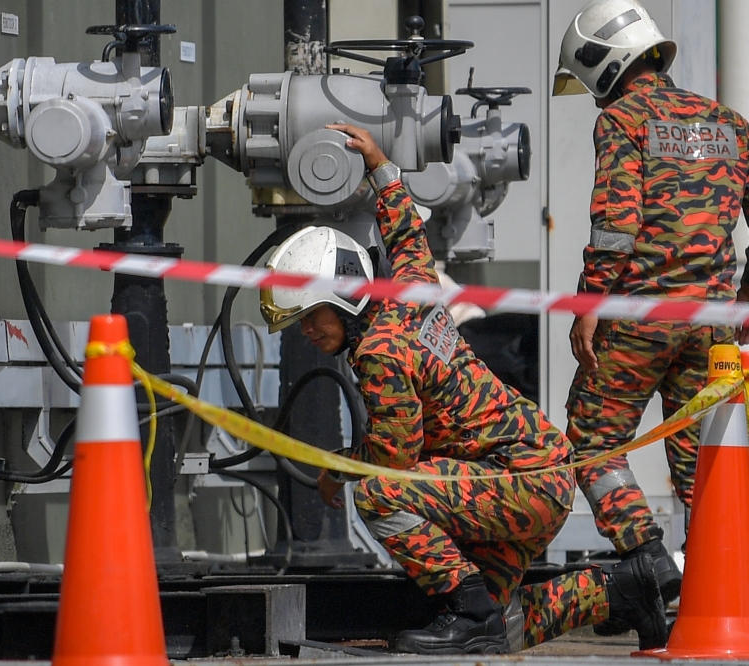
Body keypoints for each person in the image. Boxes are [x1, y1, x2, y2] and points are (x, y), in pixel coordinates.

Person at [258, 122, 668, 654]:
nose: (309, 333)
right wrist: (381, 166)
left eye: (312, 317)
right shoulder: (413, 293)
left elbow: (394, 456)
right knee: (500, 632)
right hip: (531, 472)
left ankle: (468, 607)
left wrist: (341, 467)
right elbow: (407, 235)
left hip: (517, 478)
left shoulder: (380, 351)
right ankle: (622, 591)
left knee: (380, 491)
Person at [553, 0, 749, 623]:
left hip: (638, 314)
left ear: (604, 64)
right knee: (702, 462)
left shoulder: (621, 118)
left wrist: (591, 301)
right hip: (713, 322)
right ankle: (714, 593)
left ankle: (651, 562)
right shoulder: (729, 123)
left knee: (591, 437)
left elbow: (617, 221)